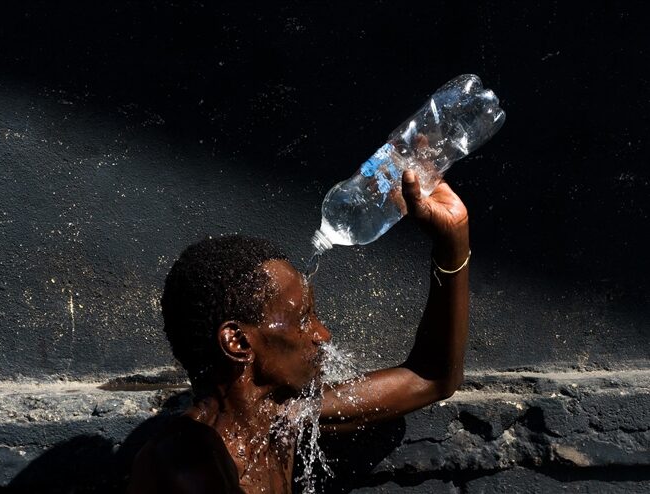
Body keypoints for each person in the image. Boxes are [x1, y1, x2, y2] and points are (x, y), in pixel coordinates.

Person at [128, 170, 470, 493]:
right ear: (238, 341)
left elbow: (431, 377)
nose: (323, 334)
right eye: (304, 319)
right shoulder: (184, 464)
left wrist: (453, 238)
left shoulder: (281, 419)